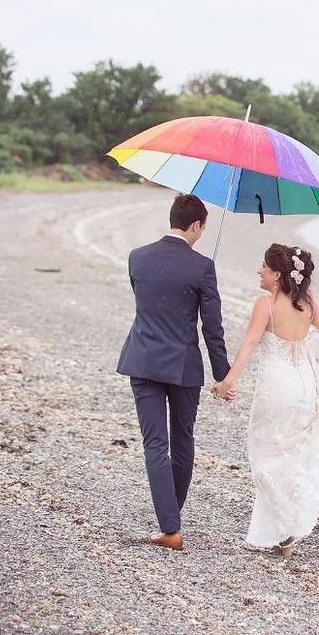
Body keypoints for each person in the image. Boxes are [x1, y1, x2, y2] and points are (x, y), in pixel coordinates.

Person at [117, 193, 233, 551]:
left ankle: (170, 524)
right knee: (182, 441)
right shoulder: (202, 267)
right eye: (202, 228)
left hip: (144, 360)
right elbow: (212, 328)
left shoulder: (138, 257)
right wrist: (222, 374)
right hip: (183, 367)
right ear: (196, 225)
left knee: (155, 442)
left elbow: (146, 303)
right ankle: (172, 522)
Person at [212, 243, 319, 556]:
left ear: (277, 275)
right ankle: (280, 529)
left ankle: (289, 521)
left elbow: (249, 345)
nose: (259, 271)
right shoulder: (307, 303)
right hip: (305, 389)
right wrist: (310, 350)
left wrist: (227, 381)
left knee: (265, 457)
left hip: (276, 389)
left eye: (264, 267)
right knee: (292, 455)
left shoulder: (265, 304)